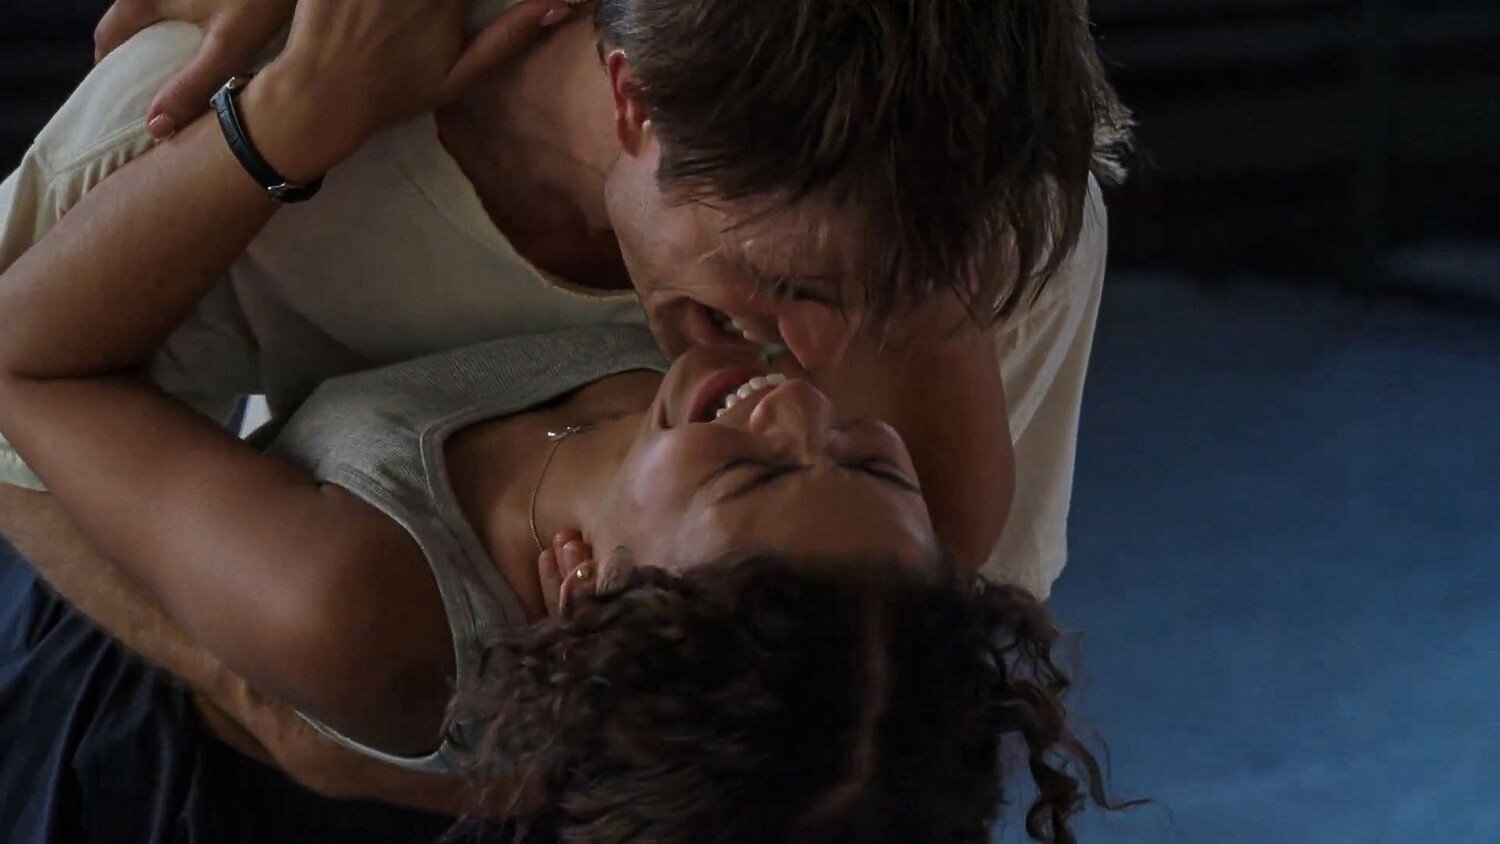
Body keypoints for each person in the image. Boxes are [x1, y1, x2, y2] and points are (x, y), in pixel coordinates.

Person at [0, 9, 1117, 829]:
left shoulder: (348, 605)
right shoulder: (894, 520)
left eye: (753, 472)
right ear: (633, 100)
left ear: (582, 582)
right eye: (791, 280)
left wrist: (290, 124)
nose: (805, 392)